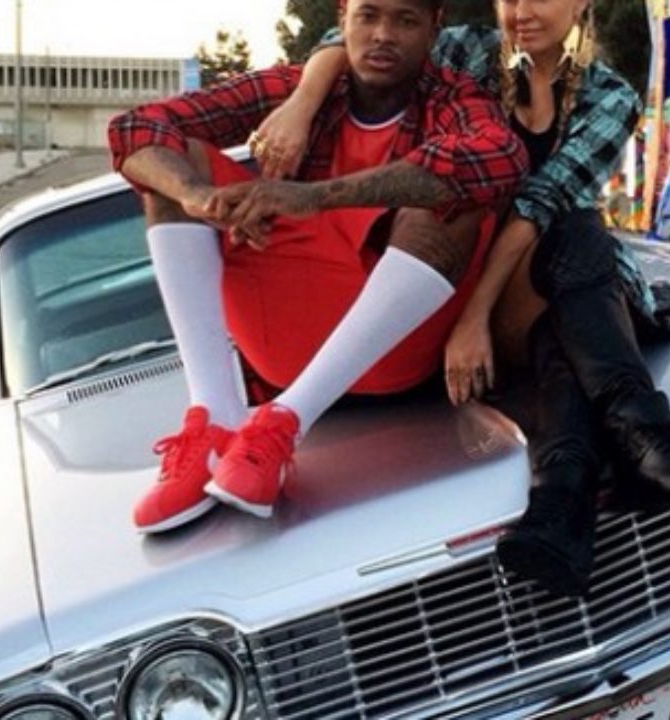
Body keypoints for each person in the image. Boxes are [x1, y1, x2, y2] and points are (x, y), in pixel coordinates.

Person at [253, 0, 670, 596]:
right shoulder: (466, 52)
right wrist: (302, 104)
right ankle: (647, 440)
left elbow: (541, 204)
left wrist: (477, 316)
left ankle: (565, 503)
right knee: (567, 275)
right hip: (460, 280)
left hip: (558, 279)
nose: (522, 11)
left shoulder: (609, 96)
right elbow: (349, 36)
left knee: (574, 227)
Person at [107, 0, 529, 534]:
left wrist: (312, 197)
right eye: (368, 16)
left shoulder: (454, 98)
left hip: (389, 341)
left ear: (433, 30)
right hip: (282, 326)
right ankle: (214, 419)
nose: (383, 35)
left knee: (456, 189)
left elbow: (501, 157)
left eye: (405, 21)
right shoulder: (294, 89)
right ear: (342, 18)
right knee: (173, 162)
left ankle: (285, 422)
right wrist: (196, 198)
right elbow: (135, 127)